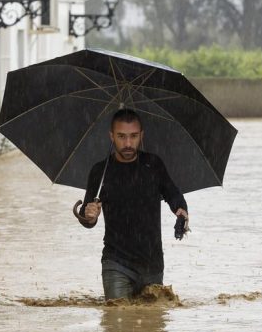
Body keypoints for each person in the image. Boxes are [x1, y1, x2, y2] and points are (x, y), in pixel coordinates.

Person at [76, 108, 189, 300]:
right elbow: (87, 219)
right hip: (116, 263)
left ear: (141, 135)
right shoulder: (100, 171)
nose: (128, 143)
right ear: (111, 136)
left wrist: (181, 213)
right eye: (121, 136)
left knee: (151, 326)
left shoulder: (153, 165)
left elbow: (174, 196)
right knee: (118, 320)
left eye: (133, 136)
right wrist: (89, 215)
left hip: (152, 265)